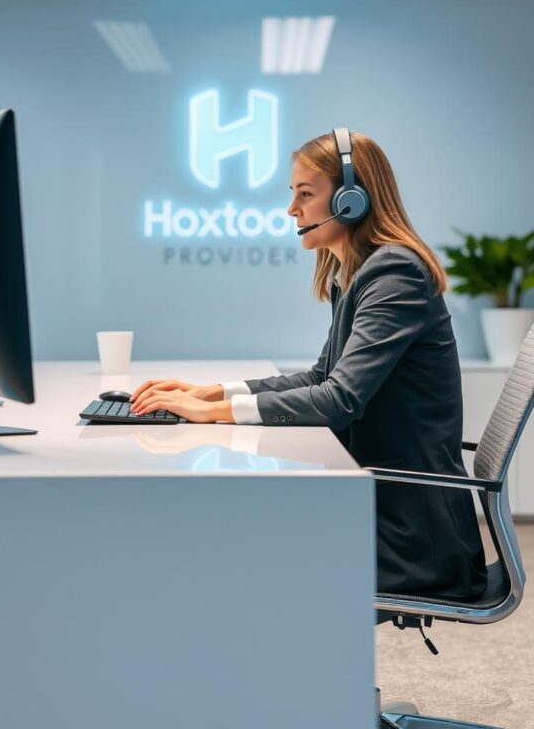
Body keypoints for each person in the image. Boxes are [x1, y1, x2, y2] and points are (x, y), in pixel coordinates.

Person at [130, 127, 487, 598]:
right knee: (233, 538)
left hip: (412, 532)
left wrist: (211, 412)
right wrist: (210, 392)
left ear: (351, 202)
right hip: (379, 504)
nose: (291, 210)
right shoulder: (357, 275)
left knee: (233, 550)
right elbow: (322, 377)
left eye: (305, 194)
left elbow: (339, 399)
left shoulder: (393, 273)